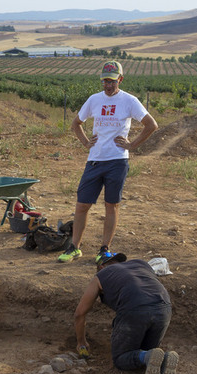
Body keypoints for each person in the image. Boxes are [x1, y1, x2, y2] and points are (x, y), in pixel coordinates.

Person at [60, 61, 158, 265]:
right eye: (105, 80)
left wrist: (132, 145)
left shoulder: (129, 101)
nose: (108, 84)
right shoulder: (94, 100)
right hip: (95, 160)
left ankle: (104, 250)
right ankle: (74, 247)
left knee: (111, 205)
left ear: (120, 80)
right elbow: (76, 123)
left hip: (117, 161)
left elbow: (151, 125)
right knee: (82, 205)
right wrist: (86, 142)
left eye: (112, 81)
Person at [73, 253, 178, 374]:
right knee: (147, 353)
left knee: (121, 358)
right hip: (164, 307)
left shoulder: (101, 276)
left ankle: (147, 356)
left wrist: (81, 342)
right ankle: (163, 358)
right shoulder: (141, 264)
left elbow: (79, 314)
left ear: (101, 266)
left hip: (135, 308)